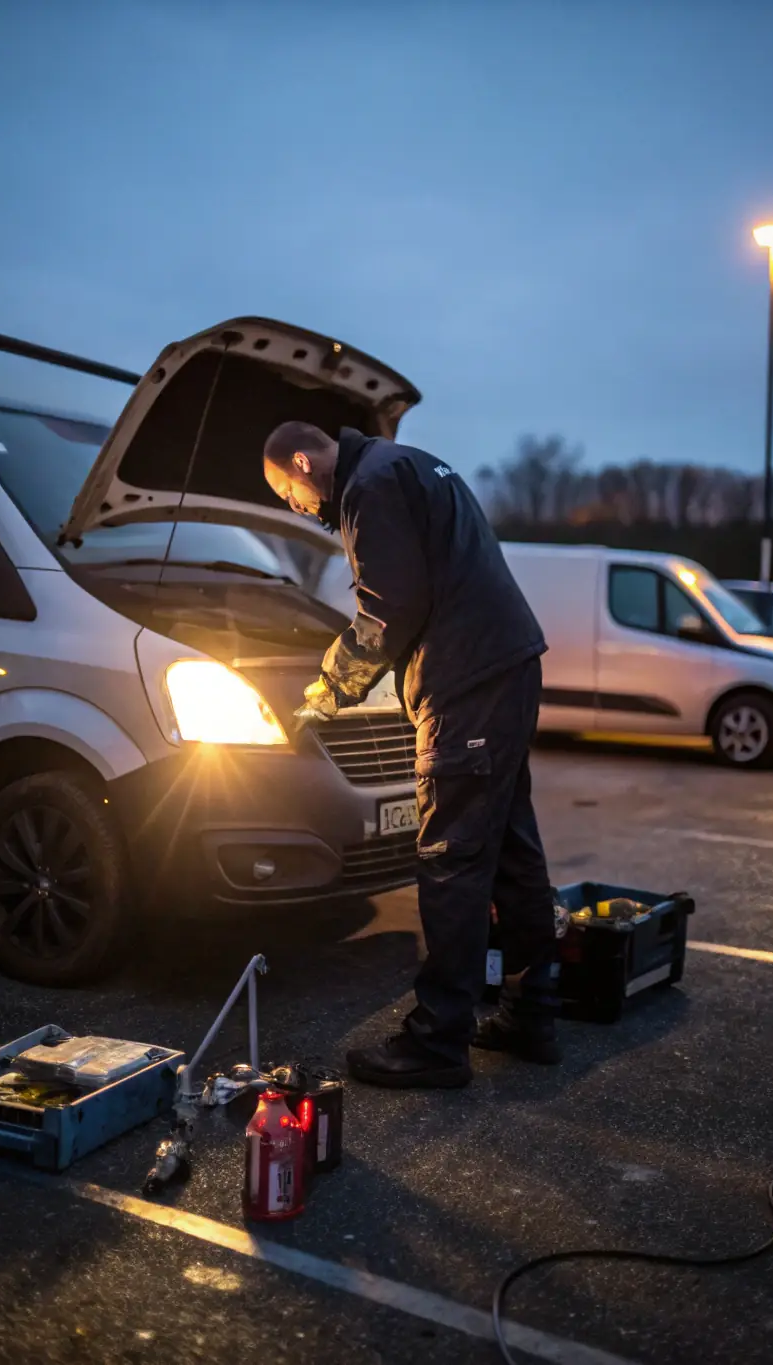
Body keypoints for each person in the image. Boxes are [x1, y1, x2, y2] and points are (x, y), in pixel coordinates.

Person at [262, 421, 559, 1088]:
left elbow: (388, 606)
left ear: (303, 461)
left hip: (468, 681)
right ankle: (531, 1011)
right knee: (512, 850)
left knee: (450, 859)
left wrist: (327, 691)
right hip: (504, 667)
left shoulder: (369, 486)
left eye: (286, 491)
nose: (294, 507)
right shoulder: (410, 464)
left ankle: (438, 1040)